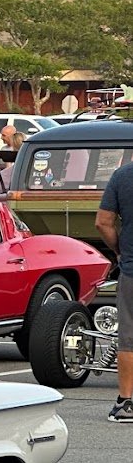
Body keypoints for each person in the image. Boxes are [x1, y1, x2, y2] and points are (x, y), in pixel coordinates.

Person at [95, 159, 133, 421]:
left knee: (129, 337)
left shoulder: (122, 176)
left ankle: (126, 403)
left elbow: (103, 222)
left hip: (132, 268)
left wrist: (119, 251)